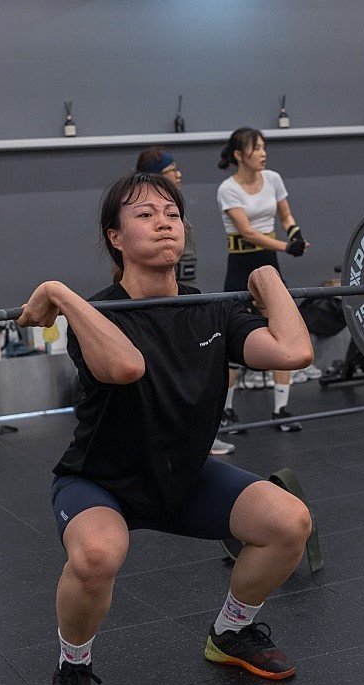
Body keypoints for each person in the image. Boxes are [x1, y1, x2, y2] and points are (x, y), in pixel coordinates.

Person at [17, 172, 313, 685]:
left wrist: (269, 281)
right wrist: (58, 293)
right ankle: (72, 668)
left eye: (173, 215)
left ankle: (230, 632)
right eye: (146, 215)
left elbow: (293, 352)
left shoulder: (214, 311)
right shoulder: (94, 312)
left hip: (183, 477)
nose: (164, 223)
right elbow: (127, 367)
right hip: (100, 482)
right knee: (96, 556)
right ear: (116, 238)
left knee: (289, 521)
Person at [216, 127, 320, 434]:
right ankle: (225, 412)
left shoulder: (273, 179)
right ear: (238, 155)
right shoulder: (227, 189)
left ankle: (281, 410)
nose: (263, 153)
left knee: (282, 328)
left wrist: (294, 233)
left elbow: (286, 216)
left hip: (269, 263)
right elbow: (247, 232)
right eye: (256, 148)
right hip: (241, 265)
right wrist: (288, 247)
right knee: (233, 334)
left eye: (263, 147)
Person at [135, 146, 235, 456]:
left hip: (187, 301)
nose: (178, 174)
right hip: (160, 309)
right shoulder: (144, 223)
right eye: (170, 171)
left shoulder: (178, 216)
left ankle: (199, 435)